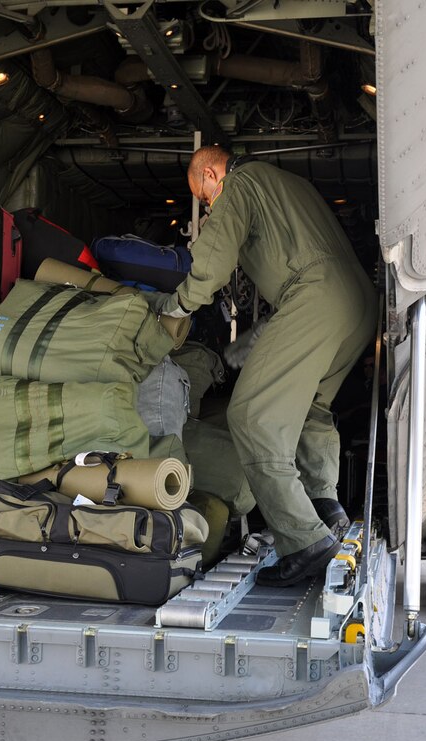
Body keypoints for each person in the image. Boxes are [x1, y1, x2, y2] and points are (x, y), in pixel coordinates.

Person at [155, 145, 377, 586]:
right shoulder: (286, 182)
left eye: (203, 198)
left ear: (211, 175)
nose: (207, 206)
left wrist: (178, 305)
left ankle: (306, 541)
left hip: (314, 296)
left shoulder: (239, 183)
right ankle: (323, 504)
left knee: (251, 416)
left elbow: (215, 256)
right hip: (356, 302)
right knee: (309, 406)